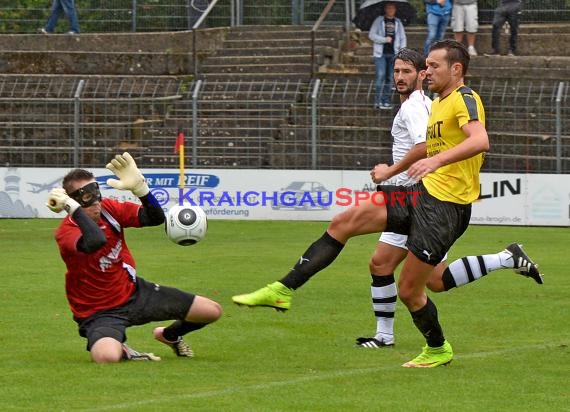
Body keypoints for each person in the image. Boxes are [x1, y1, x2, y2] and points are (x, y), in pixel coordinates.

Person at [232, 40, 543, 368]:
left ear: (456, 69)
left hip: (444, 207)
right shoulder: (437, 102)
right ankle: (283, 287)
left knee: (413, 289)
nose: (426, 72)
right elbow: (430, 146)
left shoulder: (464, 98)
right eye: (421, 67)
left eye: (432, 66)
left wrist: (425, 164)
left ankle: (438, 348)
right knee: (345, 222)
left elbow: (480, 140)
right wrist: (403, 170)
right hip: (420, 194)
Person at [47, 152, 222, 363]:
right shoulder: (66, 232)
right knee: (107, 357)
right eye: (86, 197)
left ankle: (169, 336)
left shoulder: (109, 209)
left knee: (211, 311)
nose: (96, 202)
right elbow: (96, 240)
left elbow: (155, 218)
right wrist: (74, 211)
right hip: (99, 312)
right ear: (71, 202)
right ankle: (126, 350)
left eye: (96, 193)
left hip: (135, 293)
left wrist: (141, 189)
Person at [368, 2, 407, 110]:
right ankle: (377, 101)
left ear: (395, 10)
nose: (390, 10)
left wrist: (402, 51)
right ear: (385, 9)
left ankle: (386, 101)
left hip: (393, 54)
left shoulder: (398, 22)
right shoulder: (379, 20)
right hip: (380, 54)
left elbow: (403, 38)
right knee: (381, 75)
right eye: (388, 8)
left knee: (390, 78)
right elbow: (371, 35)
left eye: (392, 8)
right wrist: (384, 39)